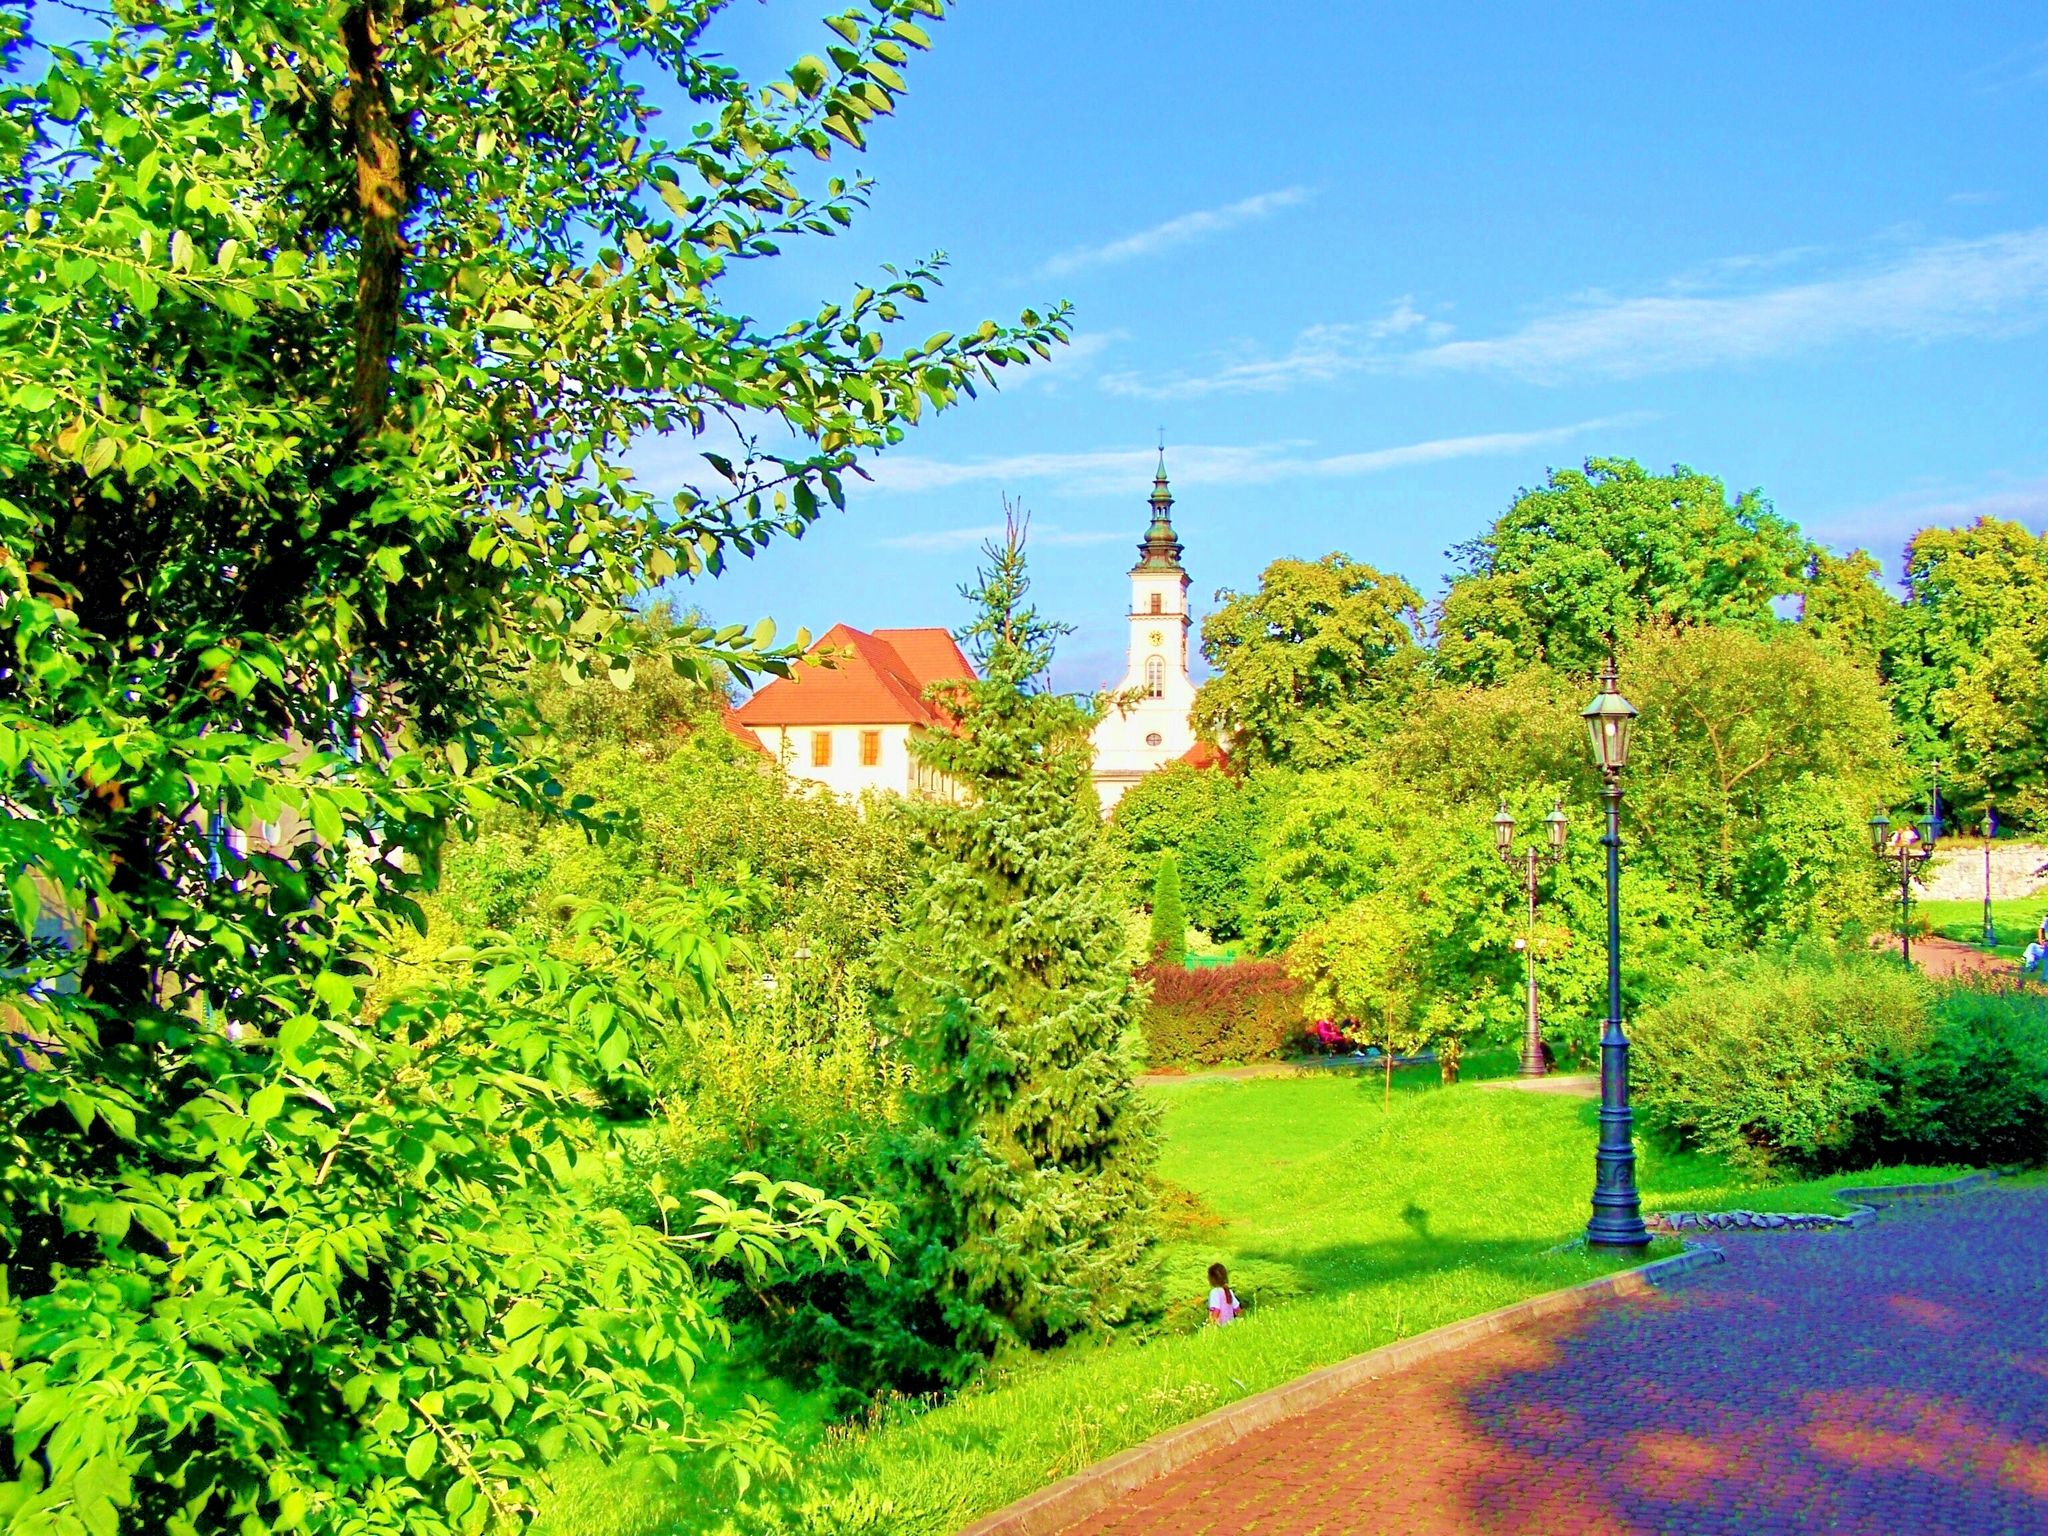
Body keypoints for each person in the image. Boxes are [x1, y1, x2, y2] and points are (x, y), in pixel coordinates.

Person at [1207, 1262, 1241, 1327]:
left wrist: (1210, 1327)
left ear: (1212, 1279)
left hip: (1220, 1328)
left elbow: (1216, 1311)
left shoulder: (1215, 1292)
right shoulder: (1229, 1291)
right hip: (1230, 1326)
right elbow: (1238, 1310)